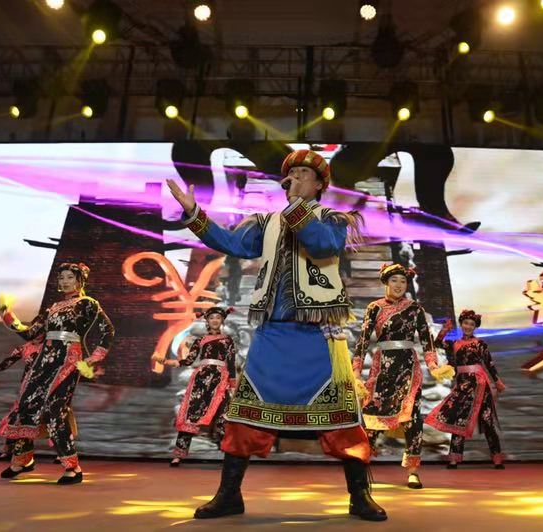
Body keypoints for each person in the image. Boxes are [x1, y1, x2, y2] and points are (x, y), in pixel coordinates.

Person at [167, 149, 386, 521]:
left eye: (304, 174)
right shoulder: (266, 223)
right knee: (243, 415)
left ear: (320, 184)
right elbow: (231, 244)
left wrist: (297, 205)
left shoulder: (333, 220)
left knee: (343, 417)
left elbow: (321, 244)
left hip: (317, 336)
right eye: (292, 173)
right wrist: (194, 213)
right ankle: (229, 494)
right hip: (271, 334)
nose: (296, 178)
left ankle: (359, 495)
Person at [0, 262, 114, 484]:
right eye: (61, 278)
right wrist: (7, 314)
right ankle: (23, 459)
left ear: (79, 280)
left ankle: (73, 468)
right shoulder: (52, 307)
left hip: (68, 361)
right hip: (43, 362)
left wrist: (93, 359)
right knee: (26, 406)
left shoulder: (87, 303)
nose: (65, 281)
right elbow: (31, 334)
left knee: (54, 411)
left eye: (70, 277)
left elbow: (107, 331)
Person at [352, 263, 438, 489]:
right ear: (386, 282)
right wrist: (356, 371)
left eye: (403, 281)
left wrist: (434, 365)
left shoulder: (415, 308)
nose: (399, 285)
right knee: (372, 417)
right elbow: (362, 340)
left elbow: (427, 340)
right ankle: (362, 466)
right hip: (382, 368)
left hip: (409, 368)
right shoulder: (375, 307)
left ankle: (413, 471)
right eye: (394, 281)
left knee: (412, 418)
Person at [154, 306, 237, 467]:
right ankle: (179, 454)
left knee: (223, 417)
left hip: (220, 380)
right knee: (191, 415)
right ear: (207, 321)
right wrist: (167, 361)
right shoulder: (200, 340)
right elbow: (188, 360)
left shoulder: (228, 341)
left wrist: (232, 383)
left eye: (218, 318)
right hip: (201, 380)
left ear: (222, 320)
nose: (215, 320)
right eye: (211, 318)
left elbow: (231, 363)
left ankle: (227, 454)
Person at [424, 309, 507, 469]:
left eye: (471, 324)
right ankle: (454, 458)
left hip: (480, 385)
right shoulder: (454, 344)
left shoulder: (480, 344)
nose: (468, 326)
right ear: (461, 324)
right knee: (458, 420)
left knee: (487, 421)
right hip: (462, 386)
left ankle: (497, 458)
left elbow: (489, 364)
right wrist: (444, 331)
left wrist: (497, 381)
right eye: (465, 323)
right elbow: (437, 344)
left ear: (475, 327)